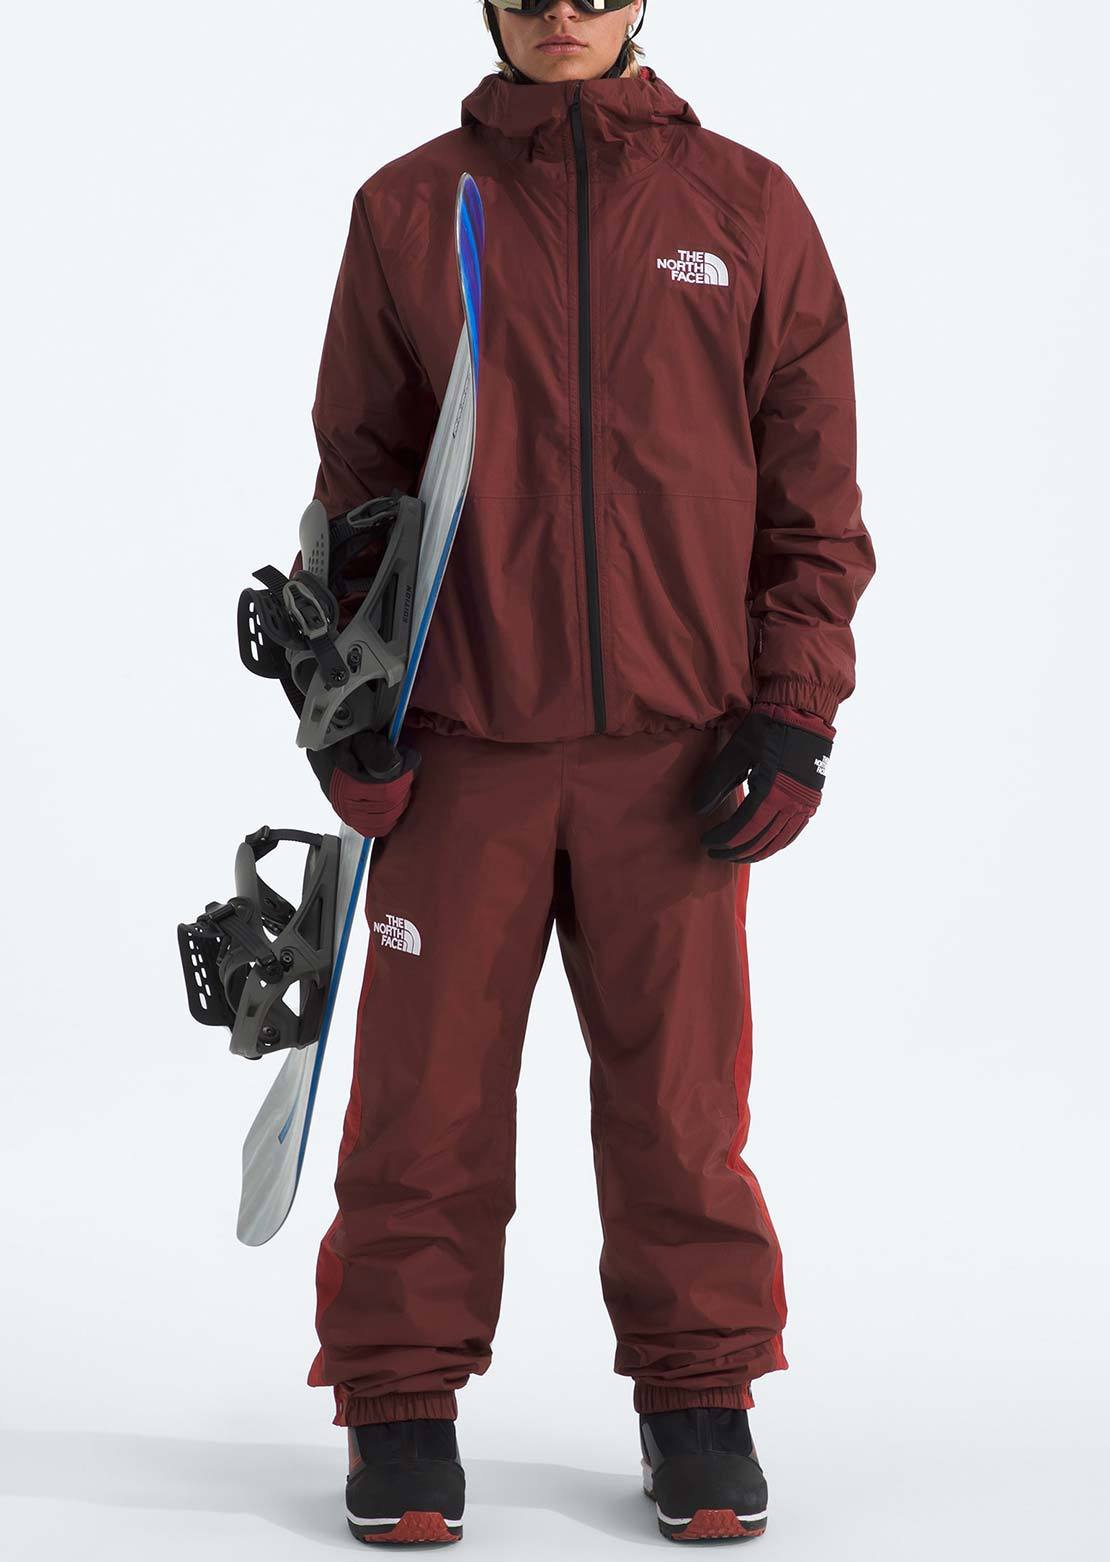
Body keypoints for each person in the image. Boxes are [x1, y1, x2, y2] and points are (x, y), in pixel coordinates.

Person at [302, 0, 875, 1545]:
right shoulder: (410, 206)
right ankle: (398, 1400)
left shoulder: (744, 205)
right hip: (457, 749)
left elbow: (813, 492)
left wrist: (792, 709)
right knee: (421, 1101)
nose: (563, 11)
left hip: (676, 754)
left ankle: (699, 1393)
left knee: (679, 1103)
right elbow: (358, 481)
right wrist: (345, 700)